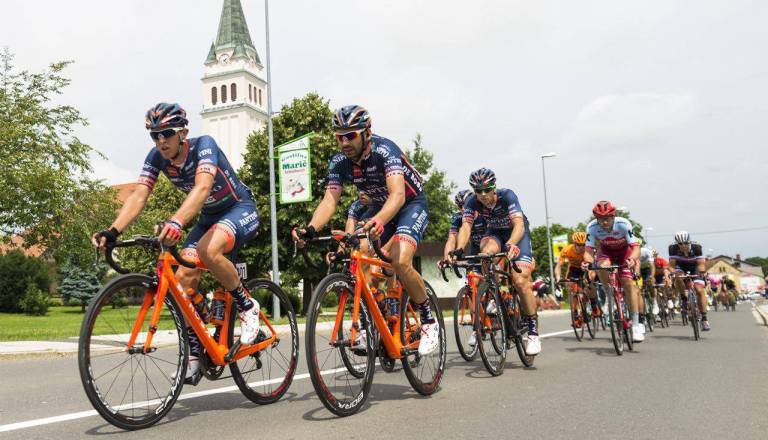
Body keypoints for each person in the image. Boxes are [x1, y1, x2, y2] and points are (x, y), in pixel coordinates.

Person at [91, 103, 261, 382]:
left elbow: (203, 187)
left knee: (207, 251)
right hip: (208, 218)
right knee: (181, 281)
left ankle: (246, 305)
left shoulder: (203, 145)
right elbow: (139, 195)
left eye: (166, 133)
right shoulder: (157, 157)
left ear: (183, 132)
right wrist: (113, 231)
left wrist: (176, 221)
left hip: (239, 209)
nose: (160, 141)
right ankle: (196, 352)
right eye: (154, 135)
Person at [291, 105, 439, 355]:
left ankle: (428, 320)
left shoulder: (385, 150)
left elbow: (398, 194)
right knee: (356, 252)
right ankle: (369, 318)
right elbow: (330, 200)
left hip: (409, 204)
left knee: (400, 261)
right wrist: (311, 229)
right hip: (381, 206)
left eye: (350, 135)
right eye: (339, 136)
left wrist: (379, 220)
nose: (344, 142)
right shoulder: (339, 162)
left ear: (366, 133)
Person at [451, 168, 541, 356]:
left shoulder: (507, 196)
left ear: (494, 187)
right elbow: (466, 227)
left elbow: (518, 224)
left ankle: (532, 329)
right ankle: (493, 293)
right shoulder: (472, 202)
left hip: (516, 234)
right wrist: (459, 249)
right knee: (486, 254)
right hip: (494, 232)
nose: (483, 194)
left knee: (520, 280)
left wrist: (512, 244)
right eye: (478, 190)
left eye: (487, 189)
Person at [581, 201, 644, 342]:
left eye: (607, 218)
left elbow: (635, 247)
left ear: (613, 216)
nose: (604, 222)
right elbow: (589, 250)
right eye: (600, 219)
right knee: (601, 265)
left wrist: (633, 259)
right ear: (596, 219)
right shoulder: (591, 227)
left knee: (628, 284)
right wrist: (587, 262)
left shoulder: (623, 224)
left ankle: (636, 324)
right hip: (606, 251)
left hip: (624, 252)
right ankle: (609, 292)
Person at [668, 231, 710, 331]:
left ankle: (704, 319)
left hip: (695, 266)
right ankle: (684, 299)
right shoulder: (673, 249)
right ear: (677, 243)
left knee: (699, 290)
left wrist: (701, 272)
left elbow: (701, 264)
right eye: (680, 244)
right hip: (680, 266)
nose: (683, 246)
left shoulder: (696, 248)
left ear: (689, 242)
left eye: (686, 243)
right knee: (678, 277)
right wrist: (673, 272)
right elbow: (672, 266)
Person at [555, 231, 598, 317]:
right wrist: (558, 277)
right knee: (571, 286)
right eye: (579, 244)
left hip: (586, 268)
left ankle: (594, 305)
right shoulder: (567, 250)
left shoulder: (587, 250)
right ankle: (575, 312)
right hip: (574, 268)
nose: (581, 247)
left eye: (583, 244)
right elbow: (558, 266)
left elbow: (591, 264)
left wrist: (589, 276)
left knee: (589, 283)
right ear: (574, 244)